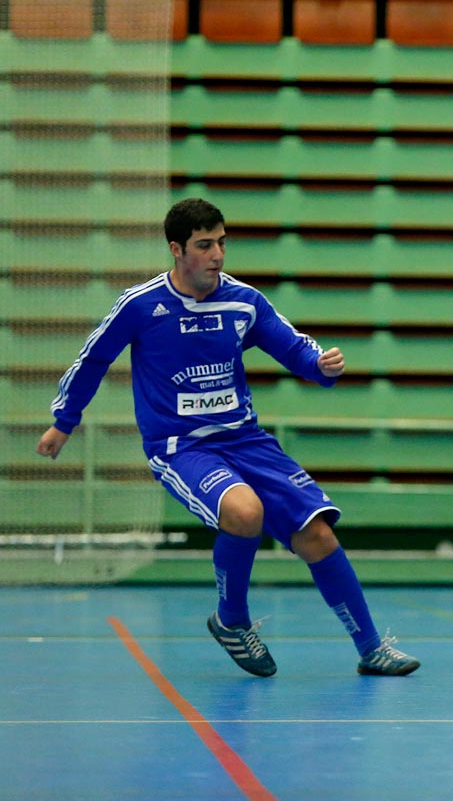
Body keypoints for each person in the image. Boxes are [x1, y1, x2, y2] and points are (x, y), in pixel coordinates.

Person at [36, 198, 420, 679]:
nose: (217, 254)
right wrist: (63, 422)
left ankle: (371, 648)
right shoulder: (140, 306)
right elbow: (92, 360)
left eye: (221, 242)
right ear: (177, 250)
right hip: (182, 447)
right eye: (204, 245)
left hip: (246, 441)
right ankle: (232, 620)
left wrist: (320, 368)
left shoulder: (244, 300)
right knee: (244, 512)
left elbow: (293, 346)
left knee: (317, 533)